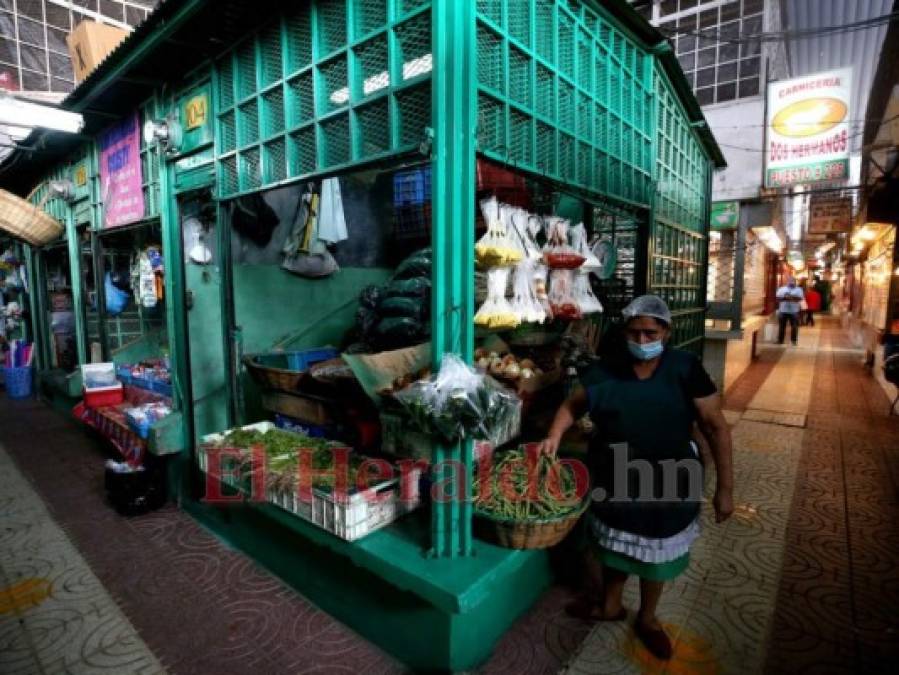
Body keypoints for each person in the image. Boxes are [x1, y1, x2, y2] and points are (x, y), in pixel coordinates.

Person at [539, 295, 734, 660]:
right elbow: (572, 405)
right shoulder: (607, 369)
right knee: (616, 543)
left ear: (666, 331)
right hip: (616, 476)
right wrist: (554, 435)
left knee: (655, 553)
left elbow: (716, 427)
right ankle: (610, 606)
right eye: (634, 334)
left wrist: (726, 488)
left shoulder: (685, 368)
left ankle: (647, 618)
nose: (642, 342)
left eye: (650, 333)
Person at [775, 277, 804, 345]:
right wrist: (786, 298)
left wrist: (790, 297)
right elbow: (778, 298)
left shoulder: (799, 289)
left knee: (794, 327)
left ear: (795, 282)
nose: (792, 283)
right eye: (790, 281)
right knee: (782, 326)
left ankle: (794, 341)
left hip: (794, 311)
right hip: (783, 310)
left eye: (793, 281)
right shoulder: (782, 289)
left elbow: (800, 298)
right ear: (787, 282)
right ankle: (780, 340)